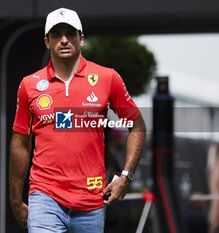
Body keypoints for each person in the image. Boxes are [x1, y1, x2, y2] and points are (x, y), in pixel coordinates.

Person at [9, 7, 146, 233]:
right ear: (47, 41)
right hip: (45, 196)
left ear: (81, 38)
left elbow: (137, 126)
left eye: (70, 33)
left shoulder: (107, 77)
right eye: (56, 34)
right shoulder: (29, 85)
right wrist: (16, 199)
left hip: (91, 200)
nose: (64, 40)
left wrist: (125, 176)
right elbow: (20, 142)